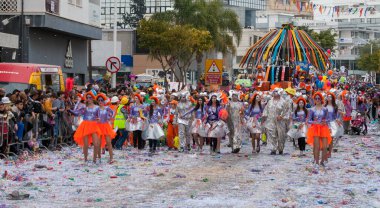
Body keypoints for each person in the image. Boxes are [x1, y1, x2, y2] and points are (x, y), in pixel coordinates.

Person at [71, 91, 102, 164]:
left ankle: (94, 160)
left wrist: (98, 119)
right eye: (87, 97)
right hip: (85, 125)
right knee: (85, 144)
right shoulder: (84, 107)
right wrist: (76, 104)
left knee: (96, 144)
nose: (89, 99)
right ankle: (85, 159)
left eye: (90, 97)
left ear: (93, 98)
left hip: (94, 125)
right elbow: (76, 113)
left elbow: (99, 117)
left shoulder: (97, 107)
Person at [306, 92, 332, 167]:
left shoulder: (325, 109)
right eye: (316, 98)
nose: (317, 100)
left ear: (321, 99)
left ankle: (323, 161)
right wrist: (314, 122)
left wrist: (325, 122)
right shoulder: (312, 109)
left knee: (324, 146)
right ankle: (316, 161)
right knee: (316, 146)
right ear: (314, 100)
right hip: (315, 128)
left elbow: (328, 119)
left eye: (319, 98)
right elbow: (308, 120)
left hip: (324, 128)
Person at [262, 88, 288, 155]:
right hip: (270, 121)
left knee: (281, 135)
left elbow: (286, 111)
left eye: (276, 91)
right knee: (271, 134)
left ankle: (280, 148)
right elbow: (266, 110)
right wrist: (264, 117)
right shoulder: (270, 101)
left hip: (280, 121)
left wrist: (281, 116)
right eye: (274, 92)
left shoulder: (284, 102)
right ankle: (273, 148)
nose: (275, 93)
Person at [96, 93, 116, 163]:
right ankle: (99, 158)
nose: (100, 101)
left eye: (102, 100)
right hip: (98, 127)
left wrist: (109, 118)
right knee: (98, 144)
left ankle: (111, 158)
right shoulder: (96, 109)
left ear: (104, 101)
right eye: (99, 100)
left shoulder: (107, 108)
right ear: (97, 101)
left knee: (109, 143)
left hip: (106, 126)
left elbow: (113, 113)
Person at [325, 92, 344, 158]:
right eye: (328, 96)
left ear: (332, 98)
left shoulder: (335, 107)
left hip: (332, 123)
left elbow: (336, 116)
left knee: (331, 138)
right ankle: (326, 151)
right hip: (325, 124)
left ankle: (329, 153)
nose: (329, 98)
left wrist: (338, 120)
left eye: (330, 97)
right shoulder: (325, 106)